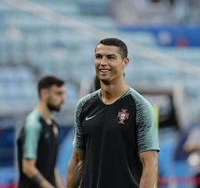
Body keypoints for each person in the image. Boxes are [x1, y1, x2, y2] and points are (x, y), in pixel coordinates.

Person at [66, 37, 159, 188]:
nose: (103, 63)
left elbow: (150, 164)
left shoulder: (140, 107)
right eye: (98, 57)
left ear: (125, 63)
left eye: (110, 57)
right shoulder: (84, 106)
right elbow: (78, 159)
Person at [17, 76, 65, 188]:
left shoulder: (54, 124)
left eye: (63, 93)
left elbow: (52, 166)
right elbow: (28, 168)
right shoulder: (33, 124)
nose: (63, 99)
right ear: (44, 94)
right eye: (58, 93)